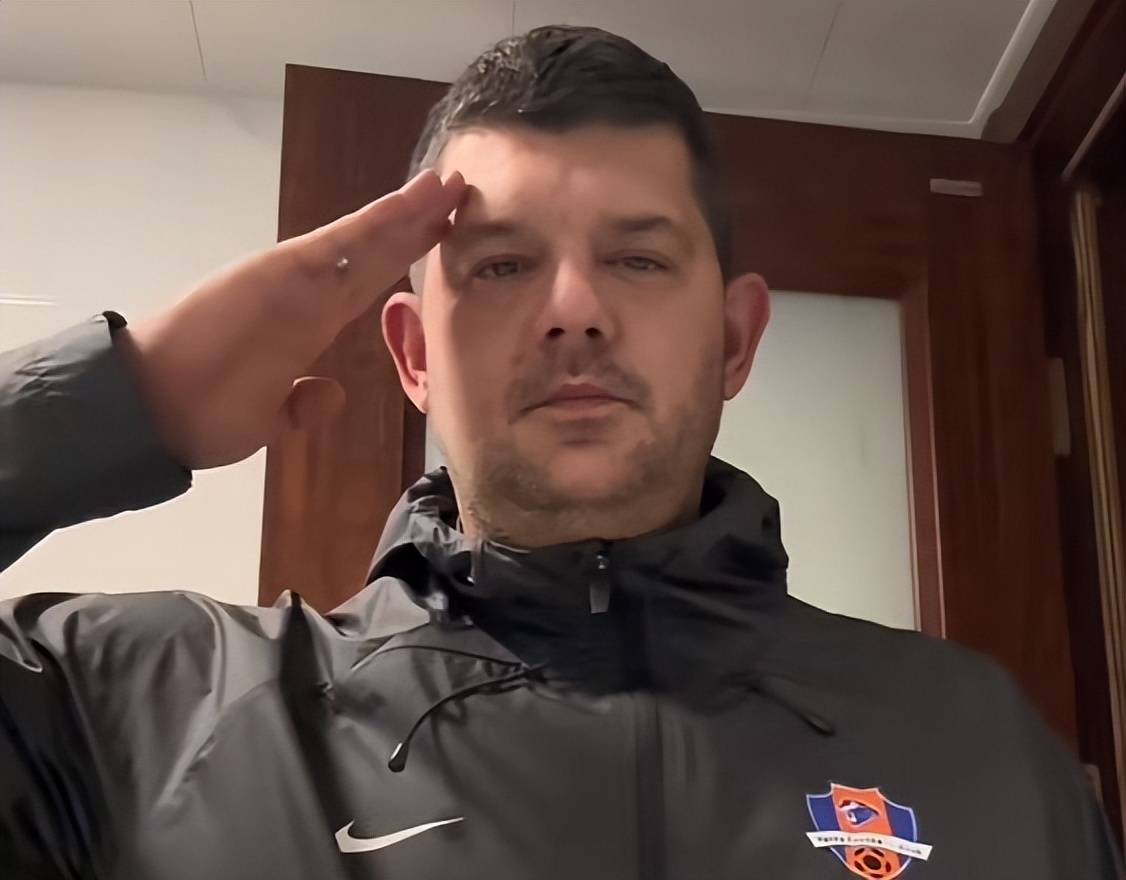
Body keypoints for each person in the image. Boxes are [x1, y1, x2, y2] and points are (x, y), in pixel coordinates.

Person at [0, 25, 1120, 880]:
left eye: (638, 259)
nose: (574, 310)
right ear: (413, 354)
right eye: (501, 266)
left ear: (733, 340)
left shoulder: (975, 745)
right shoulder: (148, 715)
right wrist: (119, 396)